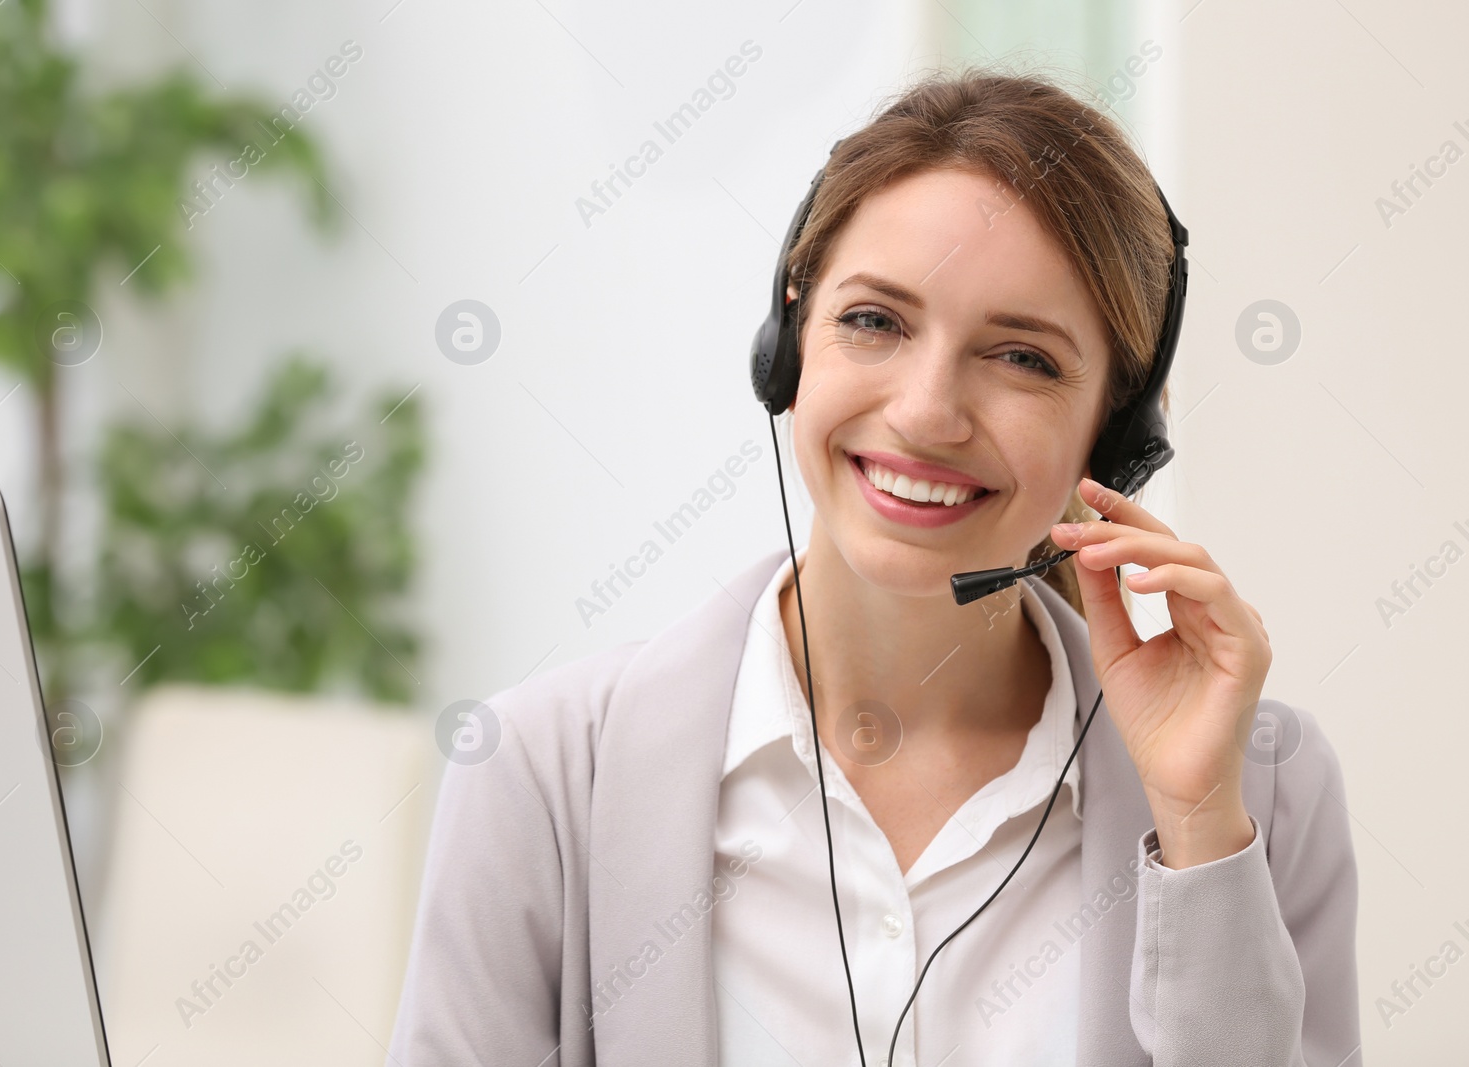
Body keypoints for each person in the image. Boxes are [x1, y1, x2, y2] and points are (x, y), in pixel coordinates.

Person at [389, 68, 1361, 1067]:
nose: (926, 412)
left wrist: (1200, 826)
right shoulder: (543, 772)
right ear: (789, 344)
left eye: (1021, 356)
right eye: (875, 321)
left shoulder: (1262, 790)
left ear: (1111, 434)